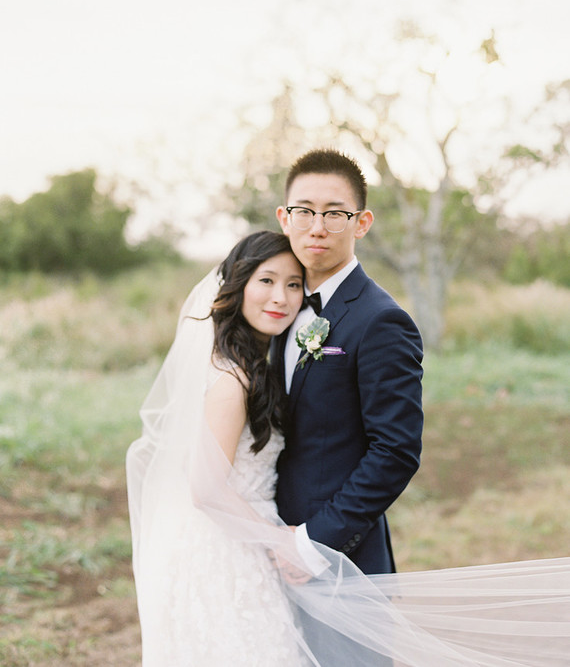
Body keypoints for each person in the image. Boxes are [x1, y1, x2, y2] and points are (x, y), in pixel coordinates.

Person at [127, 229, 570, 667]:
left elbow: (391, 448)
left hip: (257, 538)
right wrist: (280, 543)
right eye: (266, 280)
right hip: (231, 547)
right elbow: (204, 487)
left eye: (293, 284)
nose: (280, 297)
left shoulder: (262, 355)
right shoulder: (230, 381)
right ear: (238, 284)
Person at [274, 148, 423, 575]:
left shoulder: (382, 320)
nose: (317, 227)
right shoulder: (275, 307)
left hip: (338, 558)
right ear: (285, 218)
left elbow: (395, 451)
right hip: (266, 542)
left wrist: (312, 544)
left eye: (334, 214)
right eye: (304, 211)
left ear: (362, 223)